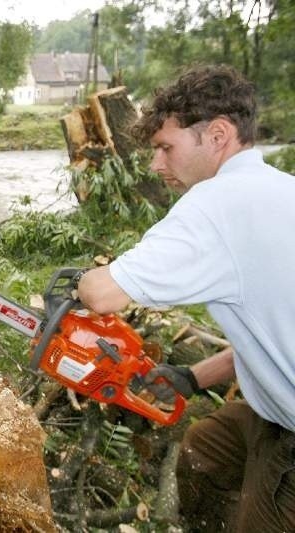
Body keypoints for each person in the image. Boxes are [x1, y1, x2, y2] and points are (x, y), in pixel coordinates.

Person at [77, 64, 295, 531]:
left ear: (217, 135)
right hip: (273, 409)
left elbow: (103, 295)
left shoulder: (217, 202)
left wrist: (81, 280)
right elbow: (276, 331)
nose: (155, 165)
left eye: (164, 148)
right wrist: (191, 377)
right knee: (206, 450)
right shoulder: (282, 190)